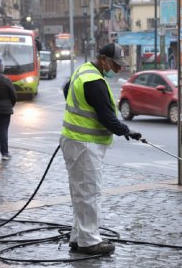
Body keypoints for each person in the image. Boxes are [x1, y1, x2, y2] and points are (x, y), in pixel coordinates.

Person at [60, 42, 142, 255]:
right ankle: (89, 242)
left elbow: (66, 89)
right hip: (85, 145)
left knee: (80, 192)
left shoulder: (83, 71)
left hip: (73, 141)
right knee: (89, 193)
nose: (118, 70)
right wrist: (127, 131)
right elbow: (108, 118)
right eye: (115, 65)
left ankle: (78, 237)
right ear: (104, 60)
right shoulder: (95, 81)